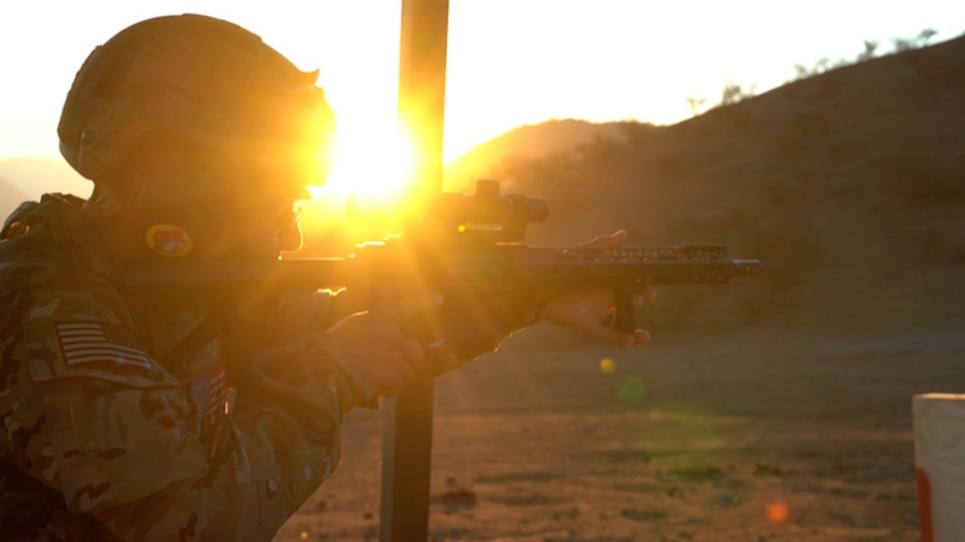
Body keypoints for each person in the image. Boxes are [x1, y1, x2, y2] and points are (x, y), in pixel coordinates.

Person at [0, 14, 653, 541]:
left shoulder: (162, 288)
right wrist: (332, 373)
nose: (290, 231)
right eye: (274, 195)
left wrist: (531, 296)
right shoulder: (49, 312)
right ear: (190, 183)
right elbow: (194, 520)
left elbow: (364, 332)